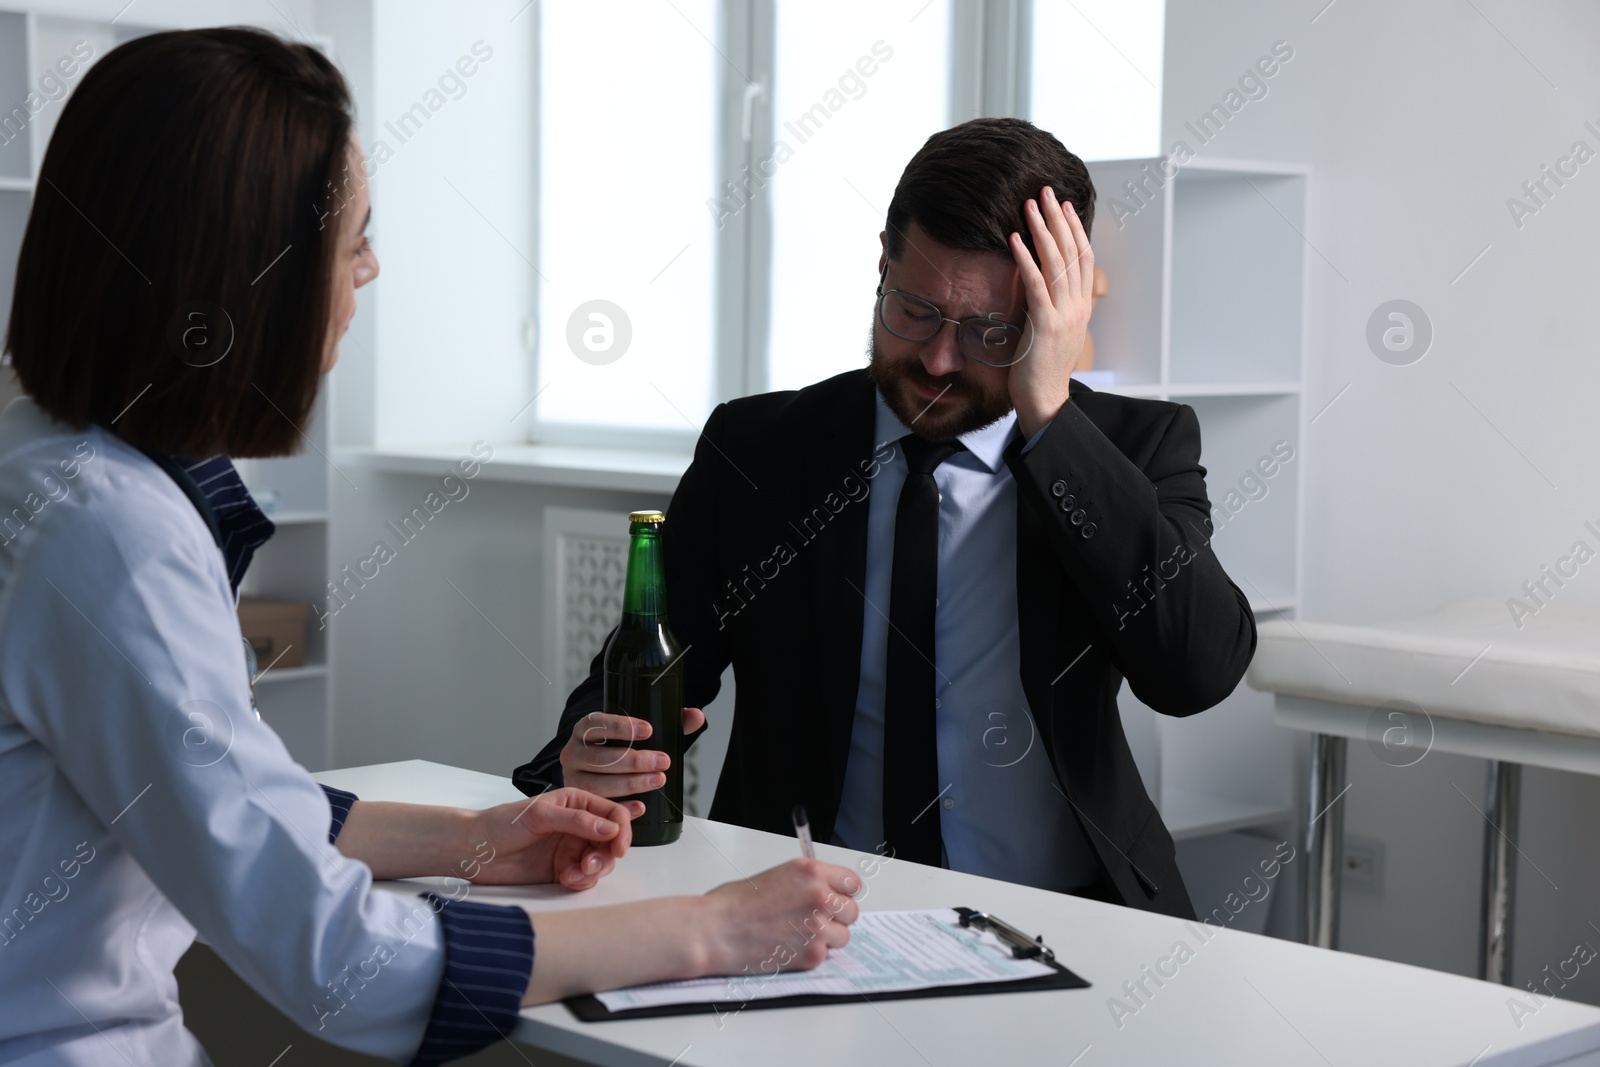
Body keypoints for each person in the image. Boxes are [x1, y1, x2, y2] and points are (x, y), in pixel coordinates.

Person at [0, 28, 858, 1067]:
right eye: (352, 238)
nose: (370, 270)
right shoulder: (114, 538)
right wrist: (712, 929)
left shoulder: (46, 458)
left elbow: (229, 793)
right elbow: (337, 955)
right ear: (246, 275)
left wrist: (473, 838)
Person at [515, 117, 1258, 920]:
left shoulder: (1133, 448)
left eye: (988, 332)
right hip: (806, 915)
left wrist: (1049, 414)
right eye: (916, 310)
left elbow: (1196, 671)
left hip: (1065, 915)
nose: (939, 359)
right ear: (881, 262)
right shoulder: (758, 449)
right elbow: (653, 671)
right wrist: (588, 761)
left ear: (1053, 318)